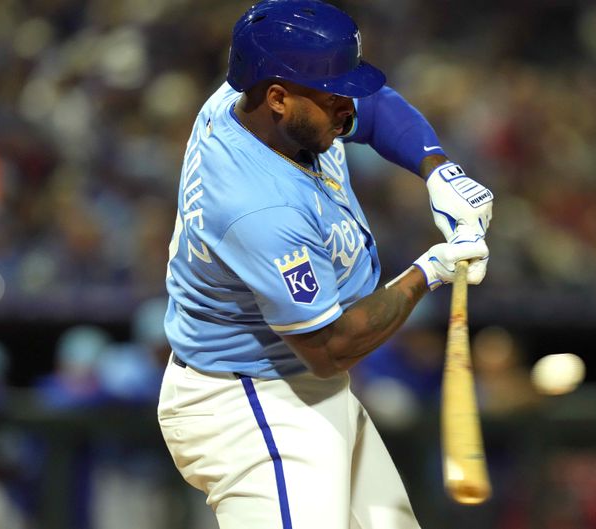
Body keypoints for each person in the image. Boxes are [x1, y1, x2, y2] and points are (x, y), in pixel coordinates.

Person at [157, 1, 493, 528]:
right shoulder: (256, 206)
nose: (348, 108)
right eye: (334, 96)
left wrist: (438, 171)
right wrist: (430, 271)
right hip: (250, 401)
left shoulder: (269, 108)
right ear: (278, 98)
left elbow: (376, 106)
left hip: (296, 383)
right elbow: (328, 347)